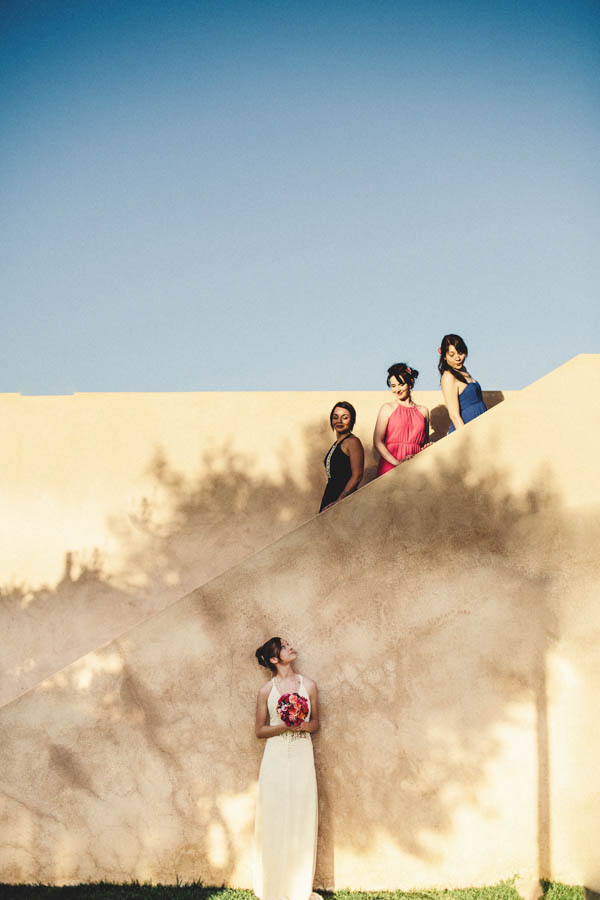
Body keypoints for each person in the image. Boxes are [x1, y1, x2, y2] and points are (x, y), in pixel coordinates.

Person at [254, 637, 321, 900]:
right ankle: (272, 886)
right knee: (275, 813)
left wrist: (302, 725)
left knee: (302, 812)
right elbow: (260, 730)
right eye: (284, 646)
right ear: (274, 659)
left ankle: (298, 889)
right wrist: (285, 726)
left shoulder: (310, 686)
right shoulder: (265, 691)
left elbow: (316, 723)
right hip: (276, 755)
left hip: (302, 751)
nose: (290, 647)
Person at [373, 363, 430, 476]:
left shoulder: (423, 411)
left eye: (401, 384)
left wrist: (428, 448)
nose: (397, 390)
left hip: (416, 467)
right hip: (390, 466)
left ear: (411, 383)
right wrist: (397, 464)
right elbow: (377, 442)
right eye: (393, 386)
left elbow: (424, 443)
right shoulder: (387, 408)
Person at [319, 401, 364, 512]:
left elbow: (357, 475)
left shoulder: (353, 442)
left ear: (352, 420)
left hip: (344, 498)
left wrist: (340, 501)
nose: (339, 421)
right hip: (330, 494)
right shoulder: (337, 443)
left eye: (344, 418)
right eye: (335, 417)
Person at [438, 333, 487, 432]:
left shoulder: (464, 370)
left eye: (460, 353)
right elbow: (454, 415)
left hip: (481, 425)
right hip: (466, 428)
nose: (457, 358)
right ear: (444, 356)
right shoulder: (448, 377)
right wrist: (465, 437)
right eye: (452, 355)